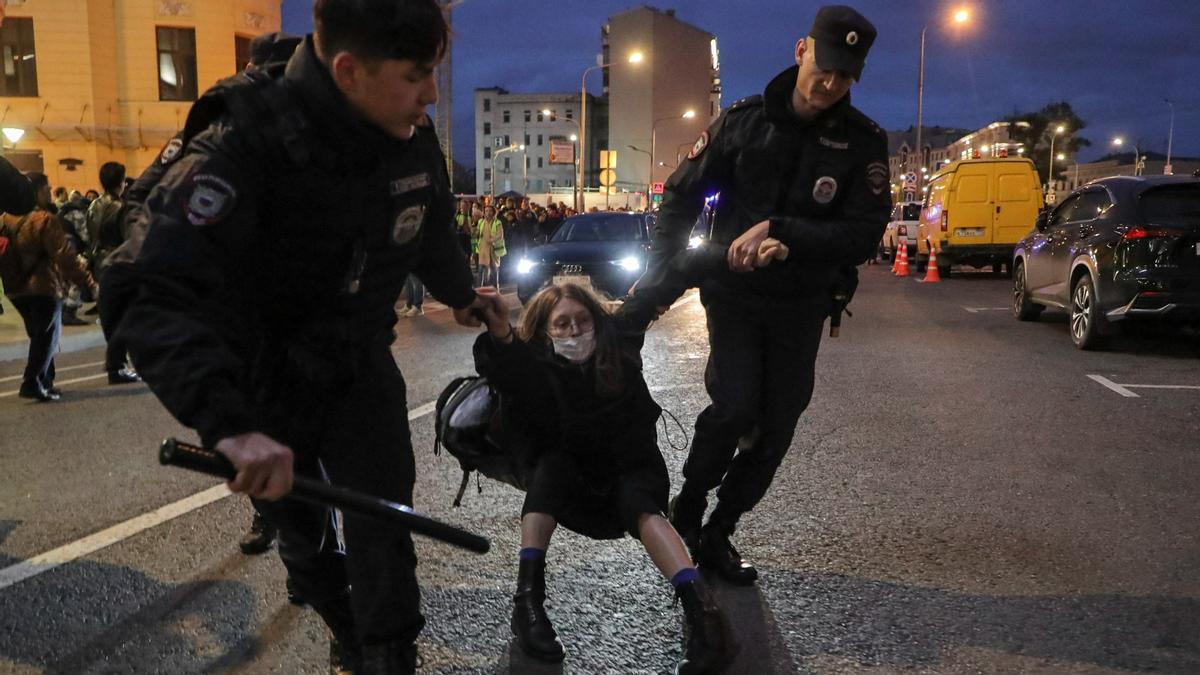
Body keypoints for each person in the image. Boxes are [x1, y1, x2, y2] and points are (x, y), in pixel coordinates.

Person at [110, 2, 492, 672]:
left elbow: (425, 220)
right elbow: (148, 286)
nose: (431, 94)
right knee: (305, 537)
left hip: (358, 363)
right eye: (416, 75)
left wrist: (462, 293)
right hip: (265, 379)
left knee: (384, 525)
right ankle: (334, 610)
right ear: (348, 71)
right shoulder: (244, 140)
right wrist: (227, 424)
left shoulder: (407, 127)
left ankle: (389, 654)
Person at [627, 5, 890, 586]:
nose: (830, 83)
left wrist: (784, 234)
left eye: (845, 76)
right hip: (735, 294)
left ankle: (720, 530)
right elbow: (680, 198)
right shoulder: (742, 122)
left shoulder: (862, 141)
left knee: (779, 424)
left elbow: (865, 232)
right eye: (825, 67)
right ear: (801, 49)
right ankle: (689, 506)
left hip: (801, 302)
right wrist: (664, 271)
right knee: (736, 405)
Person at [474, 283, 731, 672]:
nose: (575, 332)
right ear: (546, 332)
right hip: (573, 485)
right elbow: (510, 369)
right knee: (550, 471)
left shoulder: (619, 354)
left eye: (582, 320)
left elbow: (661, 279)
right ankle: (527, 603)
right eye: (562, 324)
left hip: (629, 473)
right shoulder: (537, 368)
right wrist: (499, 332)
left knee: (639, 503)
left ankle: (706, 618)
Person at [0, 172, 99, 401]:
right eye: (47, 188)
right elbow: (65, 256)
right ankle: (32, 382)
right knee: (47, 335)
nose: (50, 191)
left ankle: (46, 380)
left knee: (39, 334)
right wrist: (89, 282)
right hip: (44, 286)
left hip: (16, 288)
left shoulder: (5, 220)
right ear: (36, 191)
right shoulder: (44, 219)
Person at [86, 161, 141, 384]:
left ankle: (117, 363)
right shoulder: (120, 207)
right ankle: (117, 364)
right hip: (118, 262)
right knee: (125, 316)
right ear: (121, 181)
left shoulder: (93, 205)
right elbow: (129, 238)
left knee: (111, 316)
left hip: (99, 262)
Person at [475, 204, 505, 288]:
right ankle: (478, 290)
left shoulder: (497, 222)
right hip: (483, 249)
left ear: (494, 212)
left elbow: (500, 235)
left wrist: (491, 240)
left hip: (493, 249)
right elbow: (476, 233)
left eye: (490, 211)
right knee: (481, 269)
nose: (488, 213)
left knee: (494, 270)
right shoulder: (481, 221)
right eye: (486, 211)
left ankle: (495, 289)